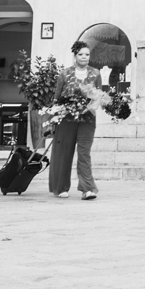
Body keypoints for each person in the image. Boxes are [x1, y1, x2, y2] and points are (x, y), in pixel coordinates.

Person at [49, 41, 100, 201]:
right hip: (66, 119)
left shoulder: (95, 74)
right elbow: (57, 98)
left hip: (87, 119)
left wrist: (91, 107)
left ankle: (88, 189)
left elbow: (99, 96)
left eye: (87, 54)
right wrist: (54, 116)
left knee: (84, 153)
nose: (84, 57)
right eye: (81, 54)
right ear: (75, 56)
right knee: (63, 152)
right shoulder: (65, 74)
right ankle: (61, 187)